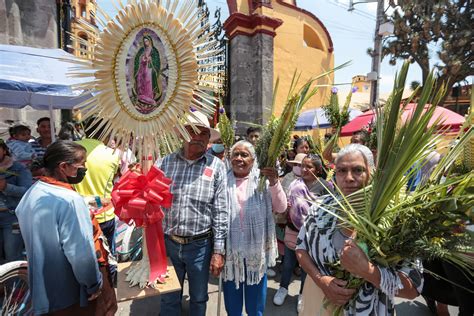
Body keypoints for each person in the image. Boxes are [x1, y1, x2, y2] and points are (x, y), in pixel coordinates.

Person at [295, 144, 422, 315]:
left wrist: (367, 271)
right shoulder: (320, 207)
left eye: (357, 170)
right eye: (341, 170)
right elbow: (301, 248)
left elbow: (414, 287)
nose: (348, 178)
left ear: (372, 172)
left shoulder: (395, 220)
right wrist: (321, 280)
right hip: (318, 303)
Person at [15, 141, 105, 315]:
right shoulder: (70, 200)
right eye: (81, 165)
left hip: (42, 292)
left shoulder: (33, 192)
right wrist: (93, 284)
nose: (84, 169)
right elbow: (81, 254)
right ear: (63, 167)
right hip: (68, 294)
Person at [158, 111, 228, 316]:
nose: (197, 136)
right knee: (168, 296)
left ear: (208, 139)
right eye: (191, 130)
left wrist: (218, 252)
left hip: (200, 246)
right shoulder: (164, 163)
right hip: (168, 243)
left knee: (198, 298)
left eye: (203, 133)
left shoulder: (217, 167)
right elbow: (150, 201)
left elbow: (221, 211)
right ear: (181, 134)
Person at [223, 140, 287, 316]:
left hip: (256, 250)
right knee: (232, 300)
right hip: (231, 250)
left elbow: (281, 208)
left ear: (253, 160)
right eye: (235, 154)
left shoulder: (263, 180)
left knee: (255, 302)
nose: (239, 158)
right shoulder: (222, 179)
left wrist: (274, 182)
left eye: (244, 155)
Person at [274, 154, 333, 312]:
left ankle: (302, 294)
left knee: (307, 267)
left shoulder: (325, 187)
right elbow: (287, 204)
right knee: (287, 264)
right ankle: (283, 288)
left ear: (318, 169)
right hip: (292, 231)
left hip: (313, 236)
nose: (304, 169)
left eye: (309, 166)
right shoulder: (295, 183)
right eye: (303, 166)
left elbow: (328, 212)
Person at [0, 139, 32, 263]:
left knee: (12, 256)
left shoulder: (18, 168)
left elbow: (27, 191)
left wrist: (6, 187)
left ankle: (15, 283)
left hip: (12, 218)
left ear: (4, 150)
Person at [134, 34, 162, 108]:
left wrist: (151, 59)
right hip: (142, 68)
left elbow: (157, 60)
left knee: (148, 82)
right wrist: (142, 59)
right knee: (141, 81)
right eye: (144, 41)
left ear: (150, 41)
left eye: (147, 41)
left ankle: (149, 98)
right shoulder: (142, 50)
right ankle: (142, 97)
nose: (146, 43)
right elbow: (137, 58)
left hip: (150, 69)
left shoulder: (154, 50)